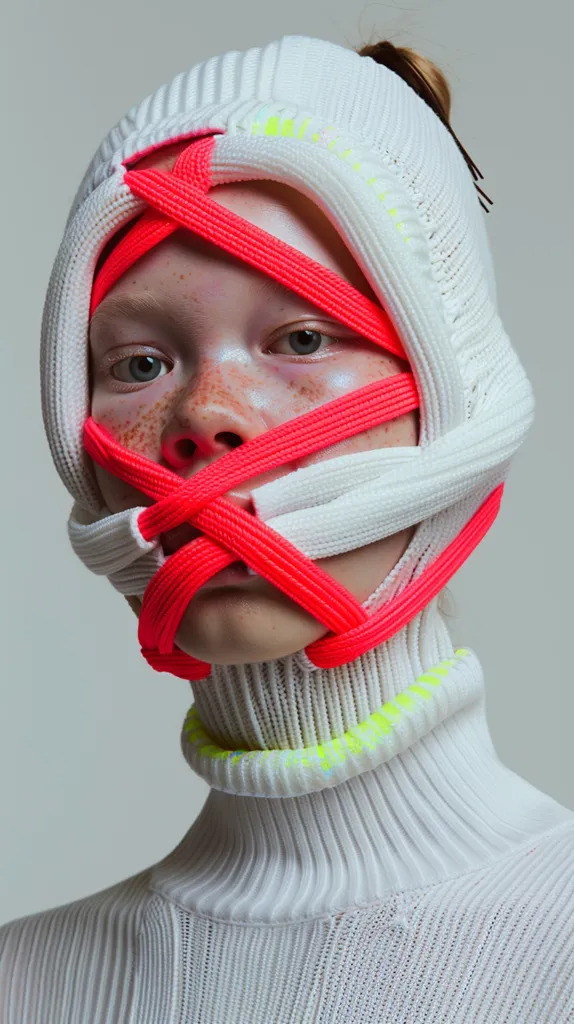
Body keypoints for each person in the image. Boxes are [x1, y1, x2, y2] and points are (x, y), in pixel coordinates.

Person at [1, 33, 572, 1023]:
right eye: (139, 362)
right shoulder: (23, 982)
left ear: (456, 387)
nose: (204, 414)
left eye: (302, 338)